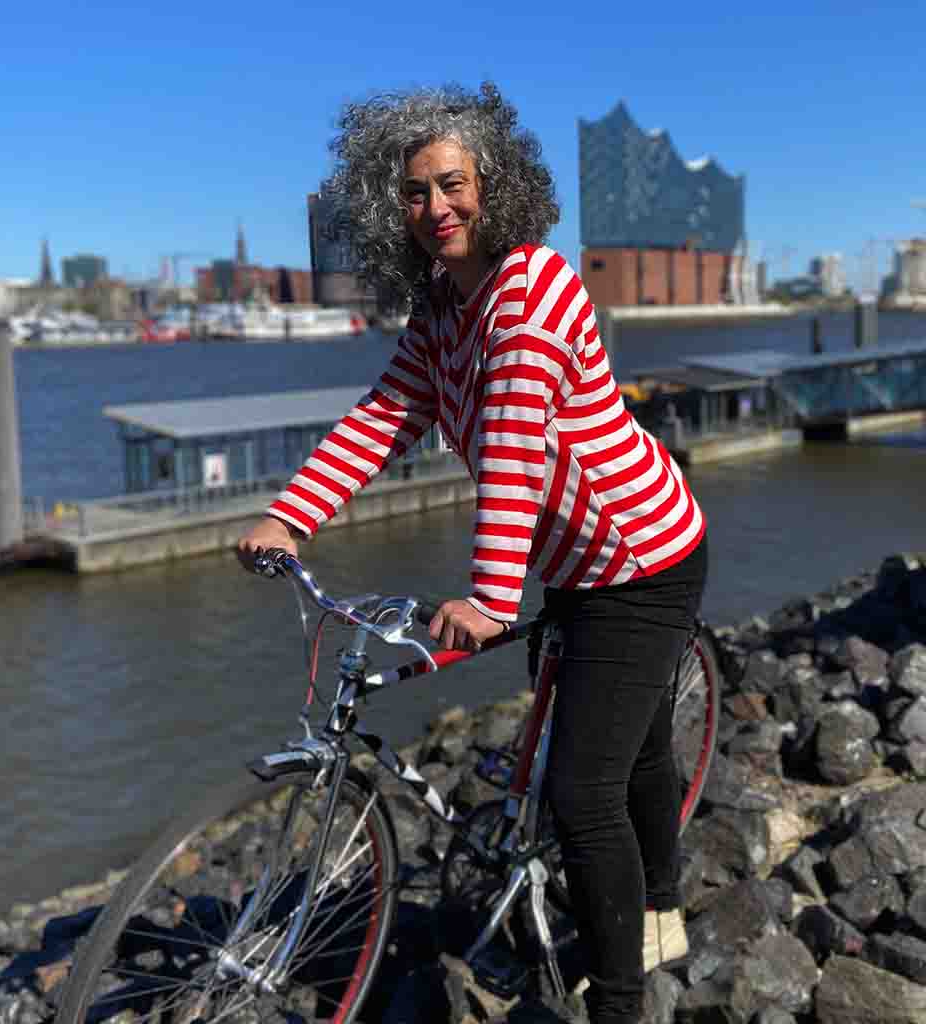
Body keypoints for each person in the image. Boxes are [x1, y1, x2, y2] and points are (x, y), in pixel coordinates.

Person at [238, 82, 707, 1024]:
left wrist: (492, 595)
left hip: (642, 553)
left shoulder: (533, 289)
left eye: (452, 184)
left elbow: (514, 437)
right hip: (571, 560)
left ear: (495, 185)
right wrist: (290, 517)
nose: (434, 208)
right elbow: (382, 418)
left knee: (583, 793)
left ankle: (623, 998)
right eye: (413, 192)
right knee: (634, 739)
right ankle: (661, 901)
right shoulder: (443, 311)